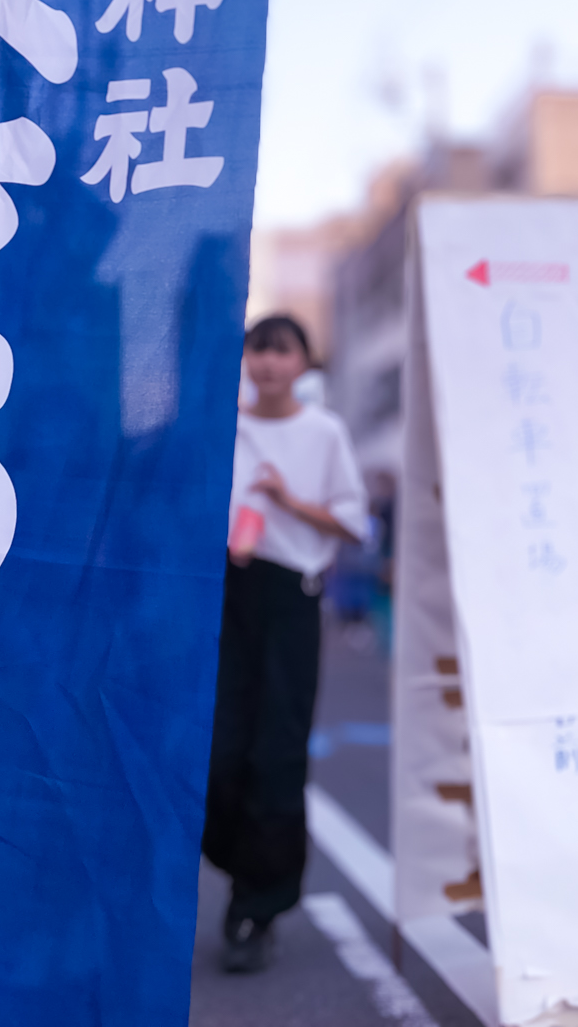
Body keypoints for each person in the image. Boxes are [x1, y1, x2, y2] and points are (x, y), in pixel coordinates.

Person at [204, 315, 367, 975]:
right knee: (215, 751)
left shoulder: (323, 432)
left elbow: (355, 524)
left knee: (276, 751)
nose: (268, 363)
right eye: (258, 351)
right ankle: (241, 867)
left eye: (281, 352)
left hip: (290, 597)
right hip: (224, 591)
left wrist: (288, 501)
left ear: (303, 361)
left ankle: (256, 907)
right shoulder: (223, 426)